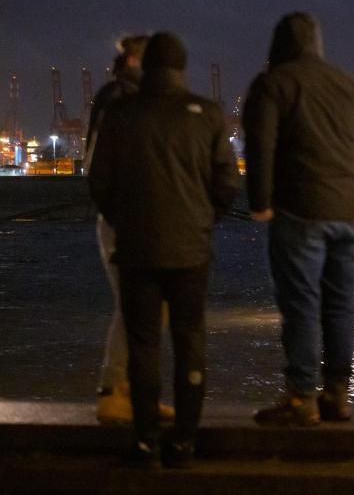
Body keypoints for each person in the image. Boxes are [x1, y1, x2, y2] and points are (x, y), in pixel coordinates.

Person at [88, 32, 240, 468]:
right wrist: (202, 220)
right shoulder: (207, 114)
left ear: (146, 64)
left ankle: (144, 440)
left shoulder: (121, 113)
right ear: (182, 66)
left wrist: (126, 221)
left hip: (137, 248)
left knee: (143, 343)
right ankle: (184, 441)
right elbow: (227, 182)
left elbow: (99, 182)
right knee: (190, 339)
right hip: (190, 248)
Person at [243, 12, 354, 427]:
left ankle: (301, 397)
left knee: (301, 302)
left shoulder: (273, 84)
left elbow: (260, 145)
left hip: (300, 209)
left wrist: (261, 202)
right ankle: (338, 396)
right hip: (350, 212)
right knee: (342, 303)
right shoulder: (351, 83)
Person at [86, 35, 175, 426]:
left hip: (133, 219)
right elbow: (103, 169)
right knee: (138, 306)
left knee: (146, 307)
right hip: (128, 221)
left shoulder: (120, 96)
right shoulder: (121, 98)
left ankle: (135, 394)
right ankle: (114, 391)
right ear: (137, 61)